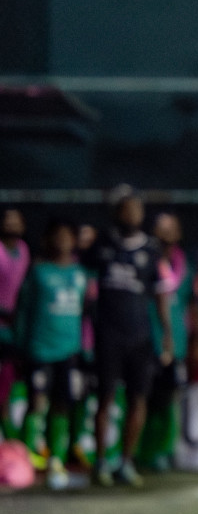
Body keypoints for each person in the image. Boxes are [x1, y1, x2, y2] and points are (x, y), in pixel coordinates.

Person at [81, 186, 175, 488]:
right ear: (117, 213)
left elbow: (161, 295)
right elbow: (83, 283)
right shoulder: (102, 244)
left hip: (140, 336)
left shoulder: (150, 250)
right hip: (108, 334)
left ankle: (126, 460)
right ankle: (100, 462)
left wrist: (166, 335)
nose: (131, 215)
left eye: (136, 210)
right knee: (105, 397)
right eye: (126, 209)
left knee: (138, 398)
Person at [12, 218, 88, 490]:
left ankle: (56, 459)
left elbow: (85, 314)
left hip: (68, 351)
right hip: (40, 349)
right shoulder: (38, 273)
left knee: (63, 404)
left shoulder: (80, 274)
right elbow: (23, 310)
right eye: (57, 236)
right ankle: (25, 458)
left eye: (68, 236)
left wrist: (84, 348)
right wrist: (21, 345)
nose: (63, 242)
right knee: (37, 402)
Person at [139, 212, 198, 472]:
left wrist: (195, 340)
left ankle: (164, 452)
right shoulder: (145, 261)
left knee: (169, 398)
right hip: (146, 338)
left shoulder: (184, 265)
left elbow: (192, 304)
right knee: (142, 397)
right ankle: (142, 451)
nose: (165, 233)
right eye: (160, 227)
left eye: (171, 228)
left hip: (175, 342)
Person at [0, 208, 30, 441]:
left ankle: (12, 443)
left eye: (16, 221)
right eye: (7, 220)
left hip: (13, 330)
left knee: (8, 383)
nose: (12, 225)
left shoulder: (23, 251)